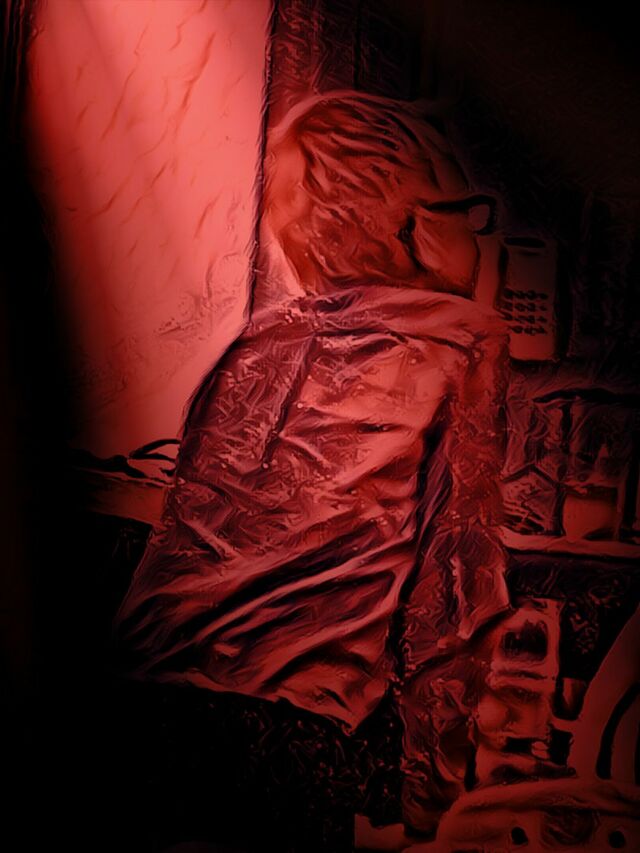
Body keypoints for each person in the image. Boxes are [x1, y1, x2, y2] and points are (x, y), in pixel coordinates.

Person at [112, 91, 511, 837]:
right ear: (413, 225)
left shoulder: (257, 340)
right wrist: (435, 797)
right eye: (469, 212)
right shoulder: (462, 342)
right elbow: (456, 586)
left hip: (139, 698)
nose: (483, 239)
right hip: (290, 720)